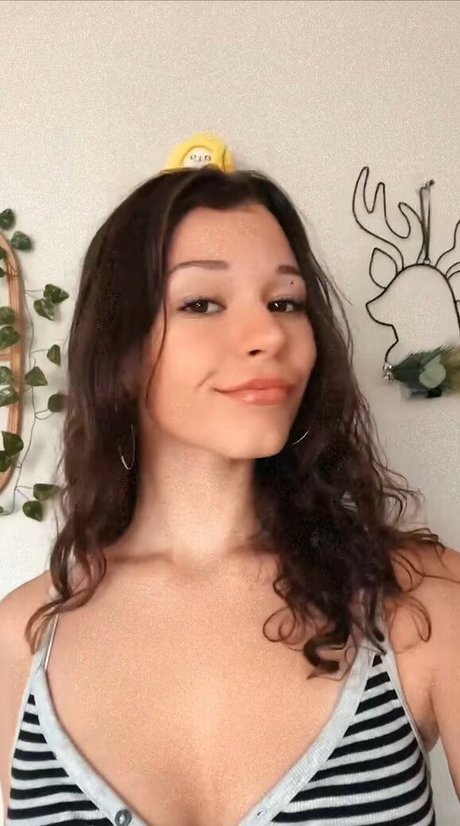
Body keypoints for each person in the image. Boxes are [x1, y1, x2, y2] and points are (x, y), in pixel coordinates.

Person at [0, 164, 459, 826]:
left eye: (285, 303)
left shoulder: (420, 604)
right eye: (202, 304)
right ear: (120, 349)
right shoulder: (21, 641)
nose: (269, 334)